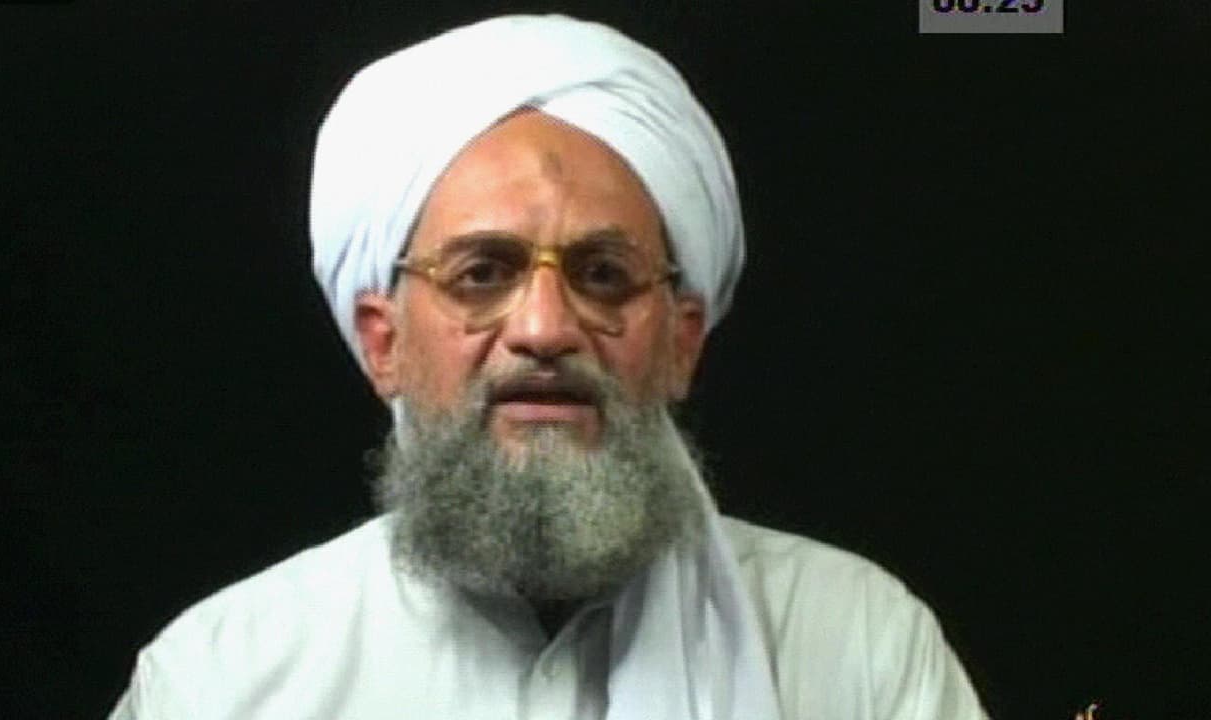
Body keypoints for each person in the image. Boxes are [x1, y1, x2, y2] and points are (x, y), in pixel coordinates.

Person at [109, 14, 989, 720]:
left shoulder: (859, 647)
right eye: (481, 274)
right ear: (383, 343)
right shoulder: (224, 680)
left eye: (602, 275)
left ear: (682, 341)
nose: (543, 328)